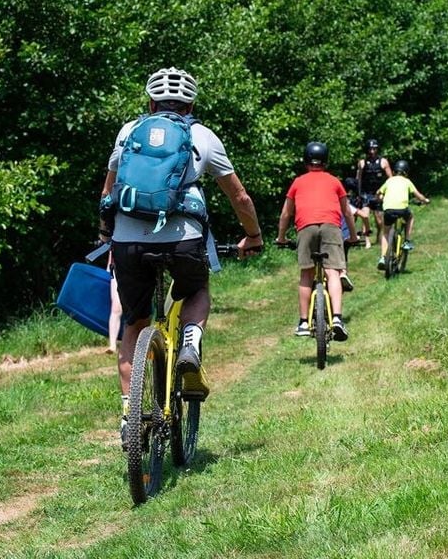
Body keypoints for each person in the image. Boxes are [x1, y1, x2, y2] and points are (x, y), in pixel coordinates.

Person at [99, 67, 263, 444]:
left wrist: (107, 237)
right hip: (184, 238)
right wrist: (252, 236)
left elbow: (108, 192)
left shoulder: (128, 132)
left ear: (150, 101)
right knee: (196, 290)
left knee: (134, 323)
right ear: (191, 103)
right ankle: (189, 344)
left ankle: (129, 417)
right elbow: (239, 196)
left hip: (128, 239)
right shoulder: (202, 136)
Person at [275, 142, 359, 340]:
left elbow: (286, 213)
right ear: (326, 161)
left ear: (306, 161)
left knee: (306, 273)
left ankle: (304, 322)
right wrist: (353, 236)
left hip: (306, 227)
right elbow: (347, 212)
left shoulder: (297, 182)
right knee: (333, 272)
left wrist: (281, 237)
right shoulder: (334, 181)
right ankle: (337, 318)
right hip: (331, 226)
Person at [375, 159, 430, 269]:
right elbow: (418, 195)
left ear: (395, 171)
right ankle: (407, 240)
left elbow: (378, 192)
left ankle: (383, 257)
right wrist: (425, 200)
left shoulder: (389, 181)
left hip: (388, 210)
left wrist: (379, 198)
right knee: (410, 217)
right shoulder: (407, 181)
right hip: (402, 210)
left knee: (385, 233)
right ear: (406, 172)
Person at [356, 139, 392, 247]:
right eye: (370, 149)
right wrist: (359, 194)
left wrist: (386, 193)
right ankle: (367, 240)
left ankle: (378, 237)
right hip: (366, 193)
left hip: (378, 194)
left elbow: (390, 178)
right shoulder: (362, 163)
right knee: (365, 216)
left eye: (374, 149)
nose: (372, 151)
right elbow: (359, 179)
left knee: (379, 220)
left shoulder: (383, 162)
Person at [343, 176, 372, 249]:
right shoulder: (345, 200)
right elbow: (364, 216)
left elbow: (365, 214)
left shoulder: (361, 195)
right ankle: (352, 237)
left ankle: (366, 240)